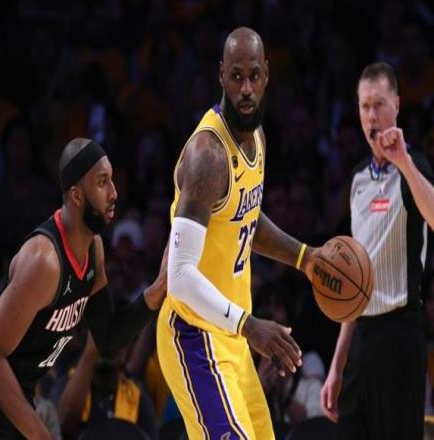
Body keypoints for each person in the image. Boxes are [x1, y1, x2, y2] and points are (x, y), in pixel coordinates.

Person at [0, 138, 168, 439]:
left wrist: (159, 287)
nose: (114, 193)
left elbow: (109, 339)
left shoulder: (94, 250)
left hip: (16, 387)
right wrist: (41, 435)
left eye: (112, 180)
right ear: (76, 195)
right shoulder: (44, 261)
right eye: (103, 182)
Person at [157, 27, 320, 439]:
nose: (246, 89)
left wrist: (305, 258)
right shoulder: (208, 156)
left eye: (254, 76)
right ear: (221, 76)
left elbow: (244, 217)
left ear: (266, 75)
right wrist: (250, 326)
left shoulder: (256, 137)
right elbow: (179, 277)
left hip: (231, 338)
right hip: (193, 336)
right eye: (236, 77)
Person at [320, 62, 434, 440]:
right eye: (365, 106)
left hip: (401, 334)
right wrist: (337, 366)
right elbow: (354, 279)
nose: (371, 115)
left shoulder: (415, 167)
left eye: (379, 104)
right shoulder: (356, 180)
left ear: (396, 106)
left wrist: (403, 161)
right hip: (361, 339)